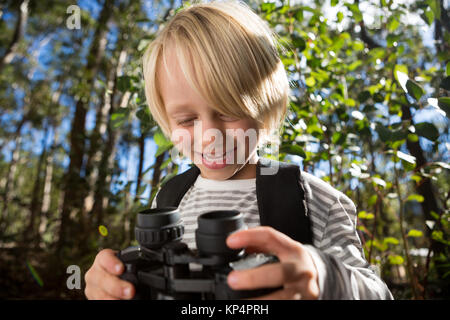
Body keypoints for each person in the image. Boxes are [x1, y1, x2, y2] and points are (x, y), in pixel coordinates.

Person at [84, 0, 393, 300]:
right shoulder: (168, 200)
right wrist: (114, 285)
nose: (209, 137)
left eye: (228, 111)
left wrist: (322, 278)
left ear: (267, 104)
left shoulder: (314, 201)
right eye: (187, 120)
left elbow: (378, 294)